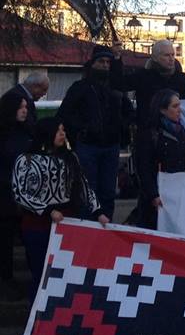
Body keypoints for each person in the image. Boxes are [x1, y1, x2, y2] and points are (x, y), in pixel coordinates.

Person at [12, 118, 108, 299]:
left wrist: (98, 212)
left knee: (64, 272)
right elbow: (19, 192)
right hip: (37, 224)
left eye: (63, 130)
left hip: (66, 222)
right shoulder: (25, 160)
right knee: (40, 272)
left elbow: (84, 187)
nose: (63, 134)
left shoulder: (70, 158)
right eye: (58, 131)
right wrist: (47, 210)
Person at [57, 46, 133, 219]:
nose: (105, 65)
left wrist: (121, 126)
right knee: (88, 190)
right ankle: (87, 228)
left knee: (107, 191)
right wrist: (80, 132)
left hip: (110, 145)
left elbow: (128, 111)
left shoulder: (116, 90)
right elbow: (65, 114)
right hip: (87, 145)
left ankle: (106, 229)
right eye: (101, 62)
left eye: (108, 62)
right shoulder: (80, 87)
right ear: (92, 64)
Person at [135, 90, 185, 230]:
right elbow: (144, 168)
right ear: (162, 109)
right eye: (175, 106)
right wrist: (153, 194)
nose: (179, 110)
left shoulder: (180, 130)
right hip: (157, 196)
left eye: (179, 105)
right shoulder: (149, 134)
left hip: (176, 192)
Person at [118, 39, 185, 130]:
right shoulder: (143, 76)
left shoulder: (181, 78)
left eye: (173, 55)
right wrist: (117, 59)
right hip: (148, 131)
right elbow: (119, 84)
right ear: (155, 57)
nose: (171, 59)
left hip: (174, 130)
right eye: (166, 55)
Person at [0, 95, 31, 294]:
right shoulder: (4, 134)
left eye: (26, 107)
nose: (24, 110)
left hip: (24, 194)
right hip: (5, 192)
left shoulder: (26, 133)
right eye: (20, 107)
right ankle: (5, 277)